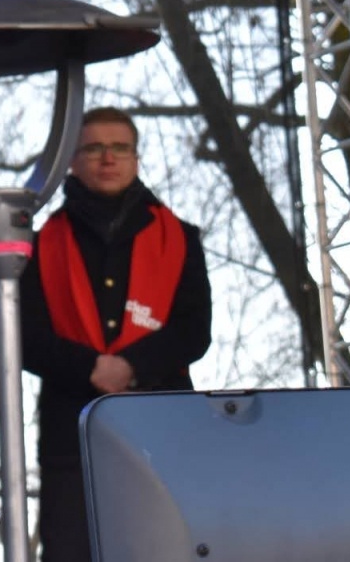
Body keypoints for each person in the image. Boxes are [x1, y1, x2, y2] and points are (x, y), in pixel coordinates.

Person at [19, 107, 212, 562]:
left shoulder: (180, 237)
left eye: (120, 147)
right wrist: (91, 368)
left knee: (165, 548)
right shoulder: (39, 241)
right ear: (72, 161)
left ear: (136, 157)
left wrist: (131, 366)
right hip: (72, 431)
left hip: (163, 427)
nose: (108, 158)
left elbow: (194, 330)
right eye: (94, 148)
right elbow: (26, 337)